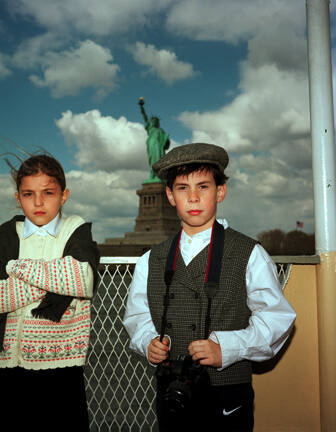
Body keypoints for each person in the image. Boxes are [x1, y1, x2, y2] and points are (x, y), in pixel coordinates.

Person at [123, 143, 296, 431]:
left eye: (203, 187)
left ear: (220, 191)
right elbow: (137, 317)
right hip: (172, 389)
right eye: (182, 188)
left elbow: (278, 319)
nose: (192, 197)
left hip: (227, 392)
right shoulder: (150, 260)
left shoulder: (249, 253)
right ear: (169, 195)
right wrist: (148, 342)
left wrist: (226, 349)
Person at [0, 153, 99, 431]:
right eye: (29, 194)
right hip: (9, 368)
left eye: (48, 193)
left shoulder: (75, 229)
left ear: (64, 195)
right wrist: (53, 279)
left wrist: (17, 268)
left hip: (63, 366)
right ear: (18, 198)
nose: (38, 202)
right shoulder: (4, 235)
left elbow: (82, 279)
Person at [139, 97, 170, 182]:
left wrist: (166, 141)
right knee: (153, 160)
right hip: (152, 146)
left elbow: (166, 141)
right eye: (153, 121)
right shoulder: (150, 128)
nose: (154, 122)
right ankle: (152, 176)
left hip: (159, 148)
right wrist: (141, 106)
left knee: (160, 160)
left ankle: (159, 176)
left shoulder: (161, 130)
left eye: (155, 121)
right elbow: (144, 117)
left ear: (158, 122)